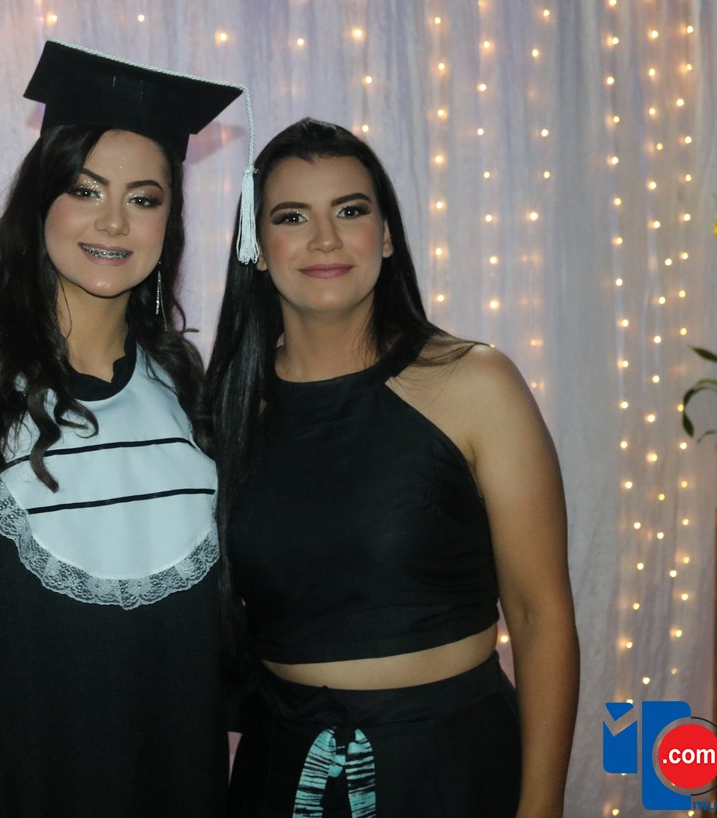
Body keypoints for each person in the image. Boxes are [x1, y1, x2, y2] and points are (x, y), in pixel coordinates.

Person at [0, 41, 244, 816]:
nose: (113, 221)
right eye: (84, 189)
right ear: (41, 202)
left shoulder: (187, 387)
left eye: (144, 199)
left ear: (170, 221)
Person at [205, 118, 579, 817]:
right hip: (279, 774)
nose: (325, 238)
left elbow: (540, 615)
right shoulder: (227, 409)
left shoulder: (476, 383)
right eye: (292, 217)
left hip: (452, 771)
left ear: (384, 235)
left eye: (350, 211)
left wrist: (541, 808)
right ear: (257, 247)